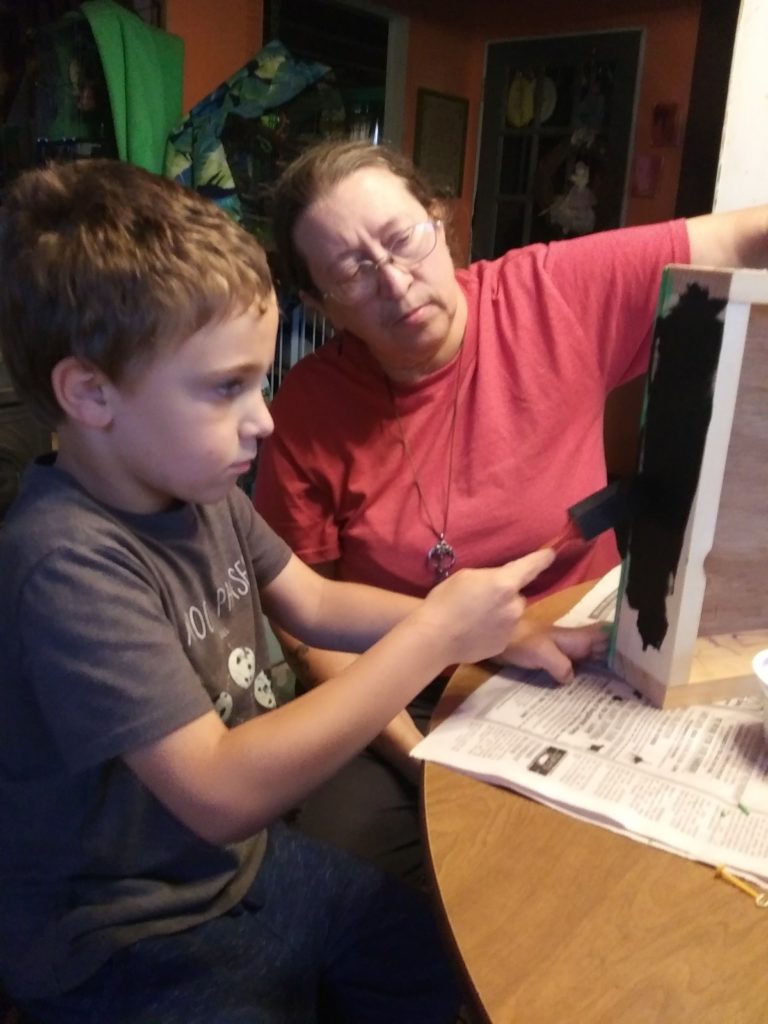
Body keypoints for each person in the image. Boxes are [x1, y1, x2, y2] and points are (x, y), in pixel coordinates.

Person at [0, 159, 603, 1024]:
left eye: (259, 381)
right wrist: (433, 636)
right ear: (91, 393)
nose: (265, 419)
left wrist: (492, 631)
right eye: (226, 389)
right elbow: (220, 792)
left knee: (449, 974)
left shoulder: (196, 489)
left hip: (244, 868)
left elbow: (315, 603)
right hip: (121, 934)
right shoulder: (66, 562)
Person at [253, 139, 768, 884]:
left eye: (403, 239)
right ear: (319, 305)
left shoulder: (549, 291)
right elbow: (306, 627)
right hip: (406, 687)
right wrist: (416, 755)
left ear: (441, 222)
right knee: (350, 866)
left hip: (582, 655)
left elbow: (747, 238)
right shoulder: (305, 410)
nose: (395, 283)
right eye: (352, 273)